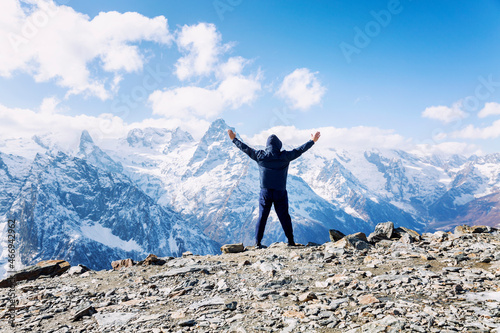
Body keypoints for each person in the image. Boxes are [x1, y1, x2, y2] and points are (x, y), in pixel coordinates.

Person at [228, 129, 321, 248]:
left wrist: (234, 139)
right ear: (279, 146)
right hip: (280, 192)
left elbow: (246, 149)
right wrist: (312, 141)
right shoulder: (285, 156)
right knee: (284, 217)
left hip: (265, 192)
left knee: (262, 217)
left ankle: (257, 243)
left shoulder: (260, 155)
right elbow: (299, 150)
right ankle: (291, 242)